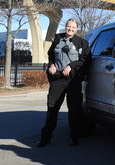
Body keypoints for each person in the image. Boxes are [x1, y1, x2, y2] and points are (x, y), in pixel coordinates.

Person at [36, 18, 90, 147]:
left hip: (73, 81)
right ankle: (45, 138)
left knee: (74, 110)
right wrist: (52, 65)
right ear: (65, 26)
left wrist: (71, 66)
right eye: (68, 26)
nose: (70, 29)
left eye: (73, 27)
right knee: (52, 108)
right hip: (57, 80)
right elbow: (50, 56)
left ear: (76, 29)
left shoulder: (82, 43)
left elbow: (85, 59)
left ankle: (74, 138)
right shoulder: (57, 39)